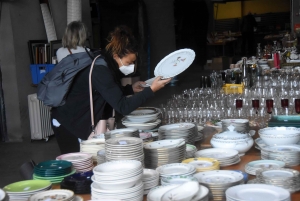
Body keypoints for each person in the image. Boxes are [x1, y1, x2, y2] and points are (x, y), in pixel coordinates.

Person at [51, 25, 171, 154]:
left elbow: (107, 91)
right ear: (115, 56)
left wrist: (130, 89)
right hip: (68, 122)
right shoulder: (100, 70)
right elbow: (122, 106)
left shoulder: (105, 62)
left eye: (133, 62)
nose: (132, 66)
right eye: (129, 62)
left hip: (79, 118)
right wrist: (151, 90)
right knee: (77, 166)